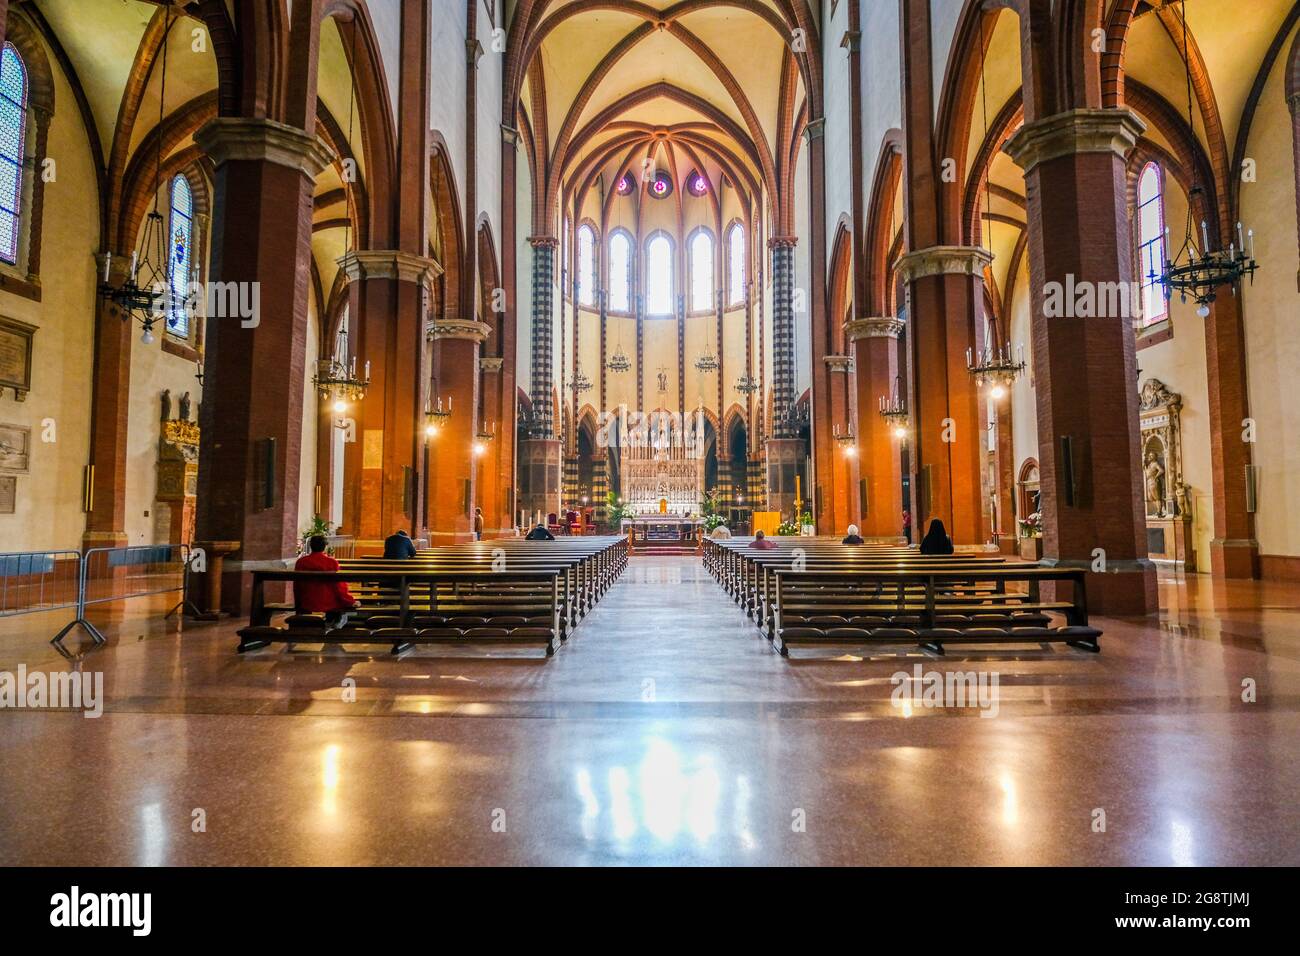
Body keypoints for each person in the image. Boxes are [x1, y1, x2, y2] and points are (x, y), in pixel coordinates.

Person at [293, 536, 357, 621]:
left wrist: (298, 603)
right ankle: (332, 625)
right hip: (328, 602)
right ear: (325, 547)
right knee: (340, 606)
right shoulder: (331, 562)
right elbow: (338, 586)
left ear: (311, 546)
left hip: (307, 601)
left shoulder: (301, 562)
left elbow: (297, 585)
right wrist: (350, 601)